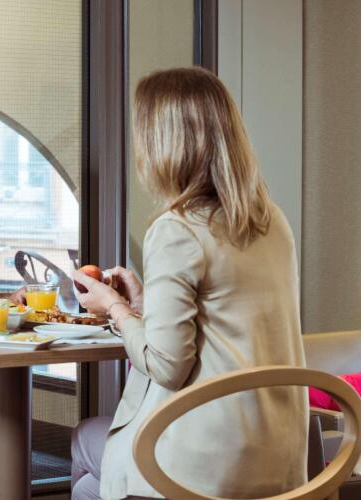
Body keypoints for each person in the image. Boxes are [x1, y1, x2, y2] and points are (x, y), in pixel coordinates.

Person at [69, 67, 308, 499]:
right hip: (279, 455)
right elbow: (225, 322)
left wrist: (115, 309)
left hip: (208, 462)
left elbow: (167, 366)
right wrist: (145, 303)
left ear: (163, 144)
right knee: (90, 486)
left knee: (85, 439)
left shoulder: (176, 229)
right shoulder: (271, 220)